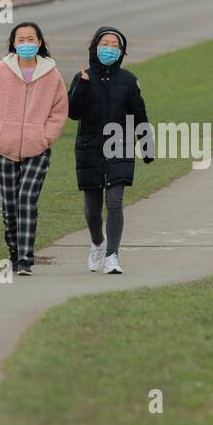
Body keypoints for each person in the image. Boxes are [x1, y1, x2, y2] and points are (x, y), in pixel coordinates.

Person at [0, 21, 68, 276]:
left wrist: (45, 137)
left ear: (39, 43)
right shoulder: (1, 70)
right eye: (21, 40)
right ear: (13, 43)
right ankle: (14, 253)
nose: (26, 44)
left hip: (37, 149)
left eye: (31, 39)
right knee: (10, 207)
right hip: (4, 148)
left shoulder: (51, 74)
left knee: (27, 200)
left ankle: (26, 259)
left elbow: (59, 111)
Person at [68, 26, 152, 275]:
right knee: (93, 210)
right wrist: (82, 86)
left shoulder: (128, 80)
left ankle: (112, 256)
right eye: (105, 44)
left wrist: (146, 145)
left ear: (122, 52)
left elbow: (140, 115)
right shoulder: (81, 77)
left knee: (114, 202)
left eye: (115, 46)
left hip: (119, 145)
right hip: (89, 148)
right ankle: (97, 243)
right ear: (94, 47)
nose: (110, 49)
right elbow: (73, 113)